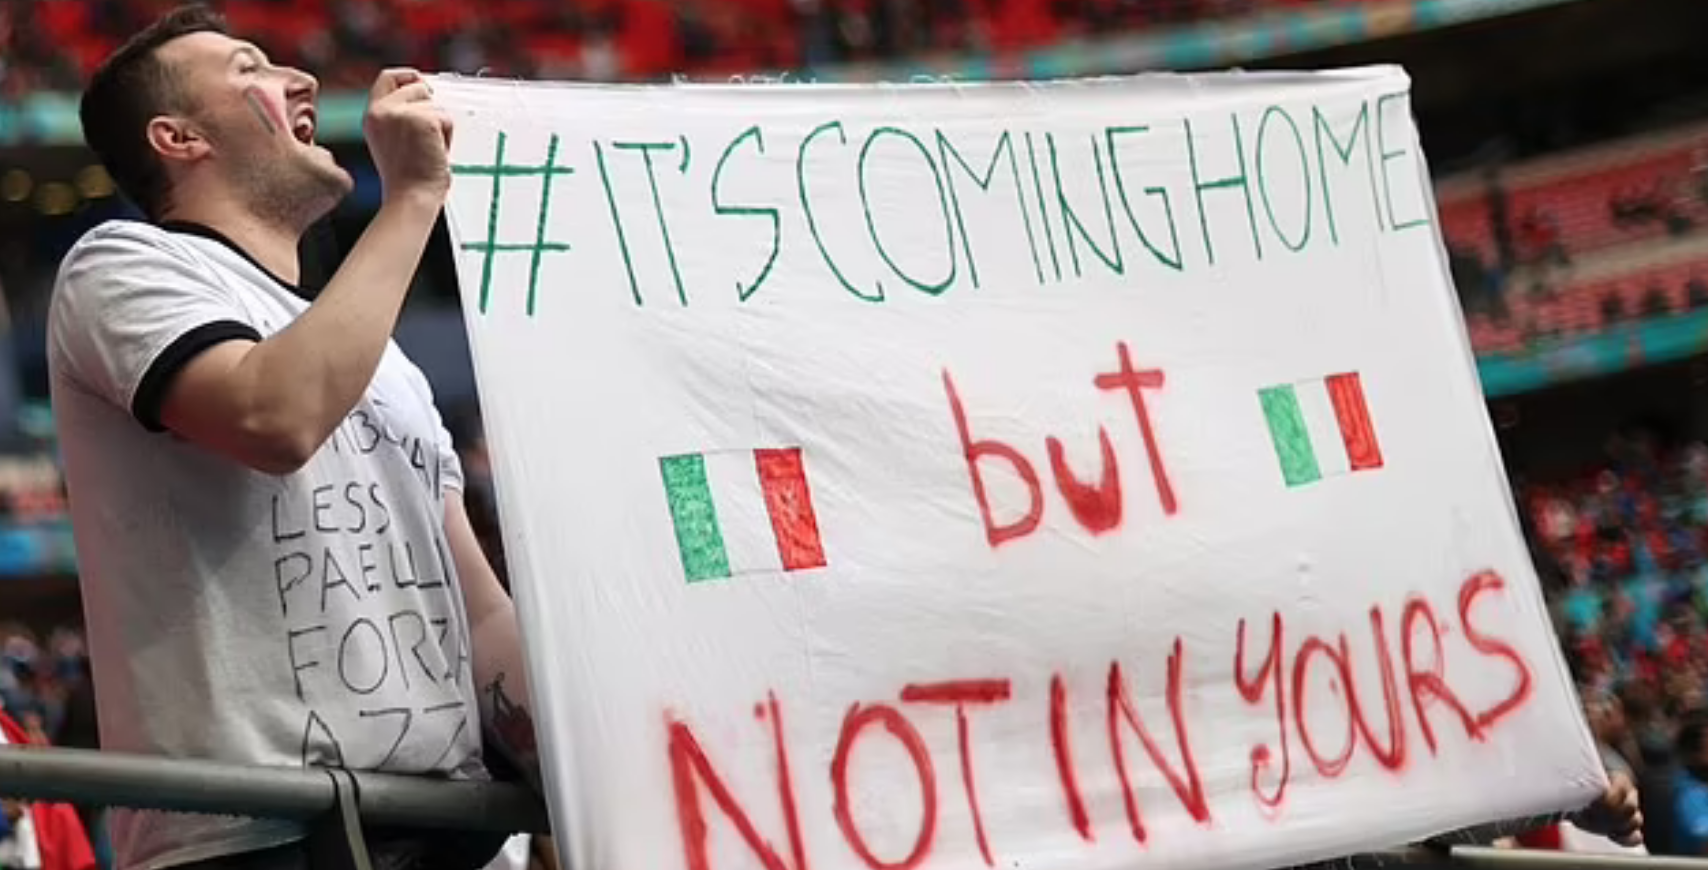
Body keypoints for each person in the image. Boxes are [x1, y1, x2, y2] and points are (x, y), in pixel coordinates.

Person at [48, 5, 539, 869]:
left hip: (449, 830)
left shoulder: (383, 362)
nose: (300, 79)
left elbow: (481, 611)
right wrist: (417, 196)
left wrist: (578, 773)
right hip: (257, 835)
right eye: (249, 68)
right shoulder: (119, 265)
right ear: (178, 137)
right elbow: (273, 418)